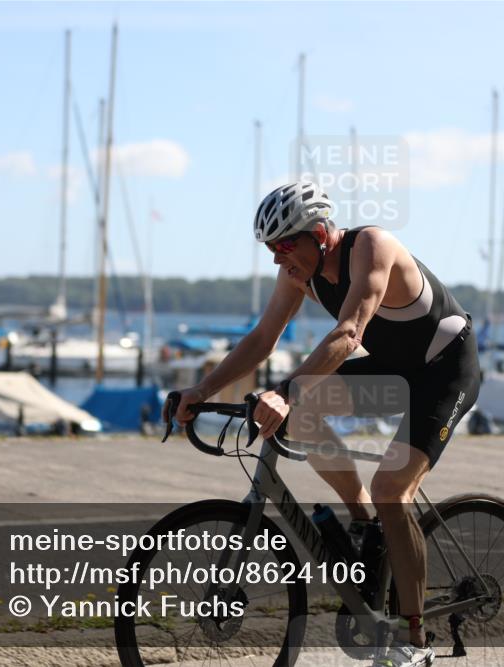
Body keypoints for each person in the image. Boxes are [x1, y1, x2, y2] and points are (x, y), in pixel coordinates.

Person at [172, 181, 480, 667]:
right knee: (308, 414)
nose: (278, 259)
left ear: (319, 234)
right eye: (270, 250)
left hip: (444, 371)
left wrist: (287, 390)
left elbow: (350, 331)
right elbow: (261, 339)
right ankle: (365, 530)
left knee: (391, 489)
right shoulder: (300, 272)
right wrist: (201, 391)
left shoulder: (372, 247)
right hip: (395, 370)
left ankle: (415, 641)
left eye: (284, 245)